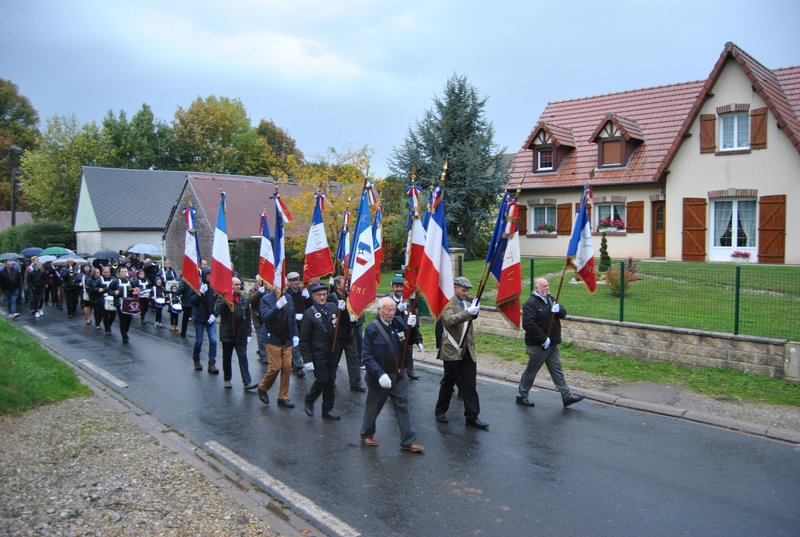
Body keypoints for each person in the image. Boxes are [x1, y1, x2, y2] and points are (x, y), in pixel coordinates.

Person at [360, 297, 424, 452]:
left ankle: (408, 441)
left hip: (398, 374)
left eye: (393, 310)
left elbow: (410, 341)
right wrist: (380, 374)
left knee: (403, 405)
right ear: (379, 310)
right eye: (388, 310)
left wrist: (413, 327)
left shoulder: (398, 322)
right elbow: (367, 356)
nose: (391, 313)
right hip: (379, 377)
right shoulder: (372, 329)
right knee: (374, 406)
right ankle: (367, 433)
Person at [517, 278, 585, 408]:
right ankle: (521, 395)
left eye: (548, 285)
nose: (547, 288)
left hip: (552, 345)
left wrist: (558, 309)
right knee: (531, 371)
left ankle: (567, 396)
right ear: (537, 289)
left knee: (557, 371)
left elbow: (563, 313)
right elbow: (528, 324)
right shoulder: (531, 304)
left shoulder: (550, 299)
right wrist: (543, 339)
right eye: (544, 286)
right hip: (538, 346)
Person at [434, 276, 488, 429]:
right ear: (455, 288)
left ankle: (472, 416)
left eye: (467, 291)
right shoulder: (447, 303)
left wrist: (475, 310)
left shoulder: (466, 304)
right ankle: (440, 410)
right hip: (452, 349)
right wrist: (468, 312)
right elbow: (450, 320)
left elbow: (471, 315)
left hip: (467, 351)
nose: (465, 293)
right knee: (448, 382)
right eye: (463, 290)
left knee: (469, 385)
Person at [300, 283, 341, 420]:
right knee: (322, 379)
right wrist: (307, 360)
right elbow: (304, 339)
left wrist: (345, 313)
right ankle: (309, 399)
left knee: (330, 381)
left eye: (324, 294)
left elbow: (342, 325)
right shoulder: (309, 314)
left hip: (332, 351)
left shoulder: (333, 307)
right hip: (318, 353)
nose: (322, 297)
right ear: (313, 297)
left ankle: (327, 409)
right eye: (319, 295)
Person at [257, 285, 299, 408]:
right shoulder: (266, 299)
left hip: (286, 338)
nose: (282, 287)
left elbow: (292, 318)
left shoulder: (289, 298)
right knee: (276, 367)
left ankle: (283, 397)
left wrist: (295, 335)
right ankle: (263, 388)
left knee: (287, 367)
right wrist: (276, 307)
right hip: (272, 337)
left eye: (284, 285)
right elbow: (265, 317)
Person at [216, 277, 258, 391]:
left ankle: (247, 382)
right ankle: (227, 379)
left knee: (243, 358)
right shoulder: (222, 298)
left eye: (239, 284)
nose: (238, 287)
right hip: (228, 334)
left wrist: (249, 333)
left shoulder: (244, 299)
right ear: (230, 286)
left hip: (241, 334)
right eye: (236, 285)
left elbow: (248, 317)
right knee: (227, 358)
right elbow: (220, 310)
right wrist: (226, 299)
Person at [328, 275, 366, 392]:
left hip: (350, 333)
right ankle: (330, 381)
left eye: (347, 283)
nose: (347, 284)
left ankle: (355, 383)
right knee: (334, 359)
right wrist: (340, 310)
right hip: (338, 335)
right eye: (344, 283)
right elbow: (331, 315)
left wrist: (354, 317)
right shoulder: (332, 298)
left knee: (353, 358)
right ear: (338, 285)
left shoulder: (350, 296)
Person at [386, 273, 423, 379]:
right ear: (392, 287)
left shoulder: (408, 301)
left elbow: (414, 321)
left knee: (408, 352)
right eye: (396, 286)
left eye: (401, 286)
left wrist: (419, 340)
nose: (399, 289)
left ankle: (409, 370)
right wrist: (397, 310)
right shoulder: (386, 300)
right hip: (392, 335)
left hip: (406, 334)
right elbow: (385, 317)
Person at [190, 268, 218, 374]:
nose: (210, 276)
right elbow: (192, 301)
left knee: (213, 340)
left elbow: (220, 301)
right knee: (199, 341)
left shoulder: (214, 287)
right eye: (208, 275)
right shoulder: (197, 286)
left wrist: (215, 314)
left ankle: (212, 362)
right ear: (204, 276)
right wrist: (200, 293)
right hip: (199, 318)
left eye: (211, 274)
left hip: (210, 318)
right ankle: (196, 358)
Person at [284, 272, 307, 377]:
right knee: (295, 344)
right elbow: (285, 310)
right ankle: (299, 366)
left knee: (301, 343)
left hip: (303, 321)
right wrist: (294, 316)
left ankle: (295, 363)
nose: (296, 282)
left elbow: (310, 305)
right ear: (289, 282)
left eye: (297, 279)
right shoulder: (286, 294)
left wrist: (308, 297)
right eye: (293, 280)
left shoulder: (302, 292)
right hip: (291, 322)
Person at [109, 267, 135, 343]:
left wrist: (136, 291)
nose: (124, 273)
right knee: (122, 320)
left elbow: (134, 291)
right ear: (119, 273)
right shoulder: (115, 281)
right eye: (122, 272)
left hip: (129, 303)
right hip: (120, 303)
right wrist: (114, 293)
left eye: (125, 271)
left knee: (129, 319)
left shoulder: (131, 282)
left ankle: (125, 331)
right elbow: (109, 290)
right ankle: (124, 336)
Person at [248, 277, 269, 364]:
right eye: (261, 280)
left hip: (267, 317)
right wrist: (259, 292)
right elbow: (251, 301)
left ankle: (263, 351)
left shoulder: (269, 290)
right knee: (260, 337)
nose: (264, 282)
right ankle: (263, 355)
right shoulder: (253, 290)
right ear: (257, 281)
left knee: (267, 337)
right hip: (258, 318)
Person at [97, 266, 117, 335]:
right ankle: (107, 328)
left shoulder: (114, 279)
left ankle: (109, 324)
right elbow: (95, 286)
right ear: (102, 272)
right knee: (105, 314)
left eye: (108, 272)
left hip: (112, 298)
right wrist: (98, 289)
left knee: (113, 314)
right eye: (105, 272)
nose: (107, 274)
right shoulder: (99, 279)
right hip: (102, 299)